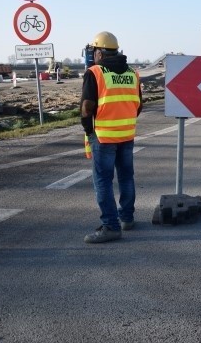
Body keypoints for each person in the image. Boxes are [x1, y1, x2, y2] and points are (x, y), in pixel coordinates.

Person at [81, 31, 143, 243]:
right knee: (126, 177)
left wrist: (89, 132)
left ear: (99, 52)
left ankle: (111, 226)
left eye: (93, 51)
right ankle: (126, 218)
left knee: (103, 182)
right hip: (126, 135)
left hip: (103, 137)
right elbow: (138, 105)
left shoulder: (95, 73)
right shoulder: (132, 74)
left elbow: (87, 107)